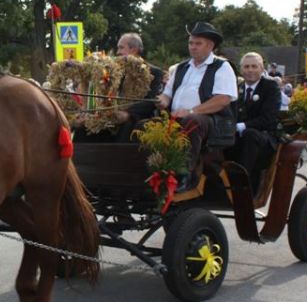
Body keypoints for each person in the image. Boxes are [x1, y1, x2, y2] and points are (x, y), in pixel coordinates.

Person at [157, 22, 238, 192]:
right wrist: (162, 101)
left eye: (198, 43)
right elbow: (167, 94)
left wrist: (192, 111)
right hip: (176, 117)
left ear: (210, 45)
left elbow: (223, 99)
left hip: (211, 122)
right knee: (145, 125)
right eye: (190, 43)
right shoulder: (181, 67)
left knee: (192, 121)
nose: (193, 47)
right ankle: (153, 170)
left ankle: (185, 173)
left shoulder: (222, 67)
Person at [226, 52, 281, 191]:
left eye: (254, 66)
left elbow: (269, 118)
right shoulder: (237, 88)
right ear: (241, 70)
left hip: (264, 136)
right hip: (239, 134)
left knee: (250, 135)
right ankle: (219, 178)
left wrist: (242, 126)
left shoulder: (270, 87)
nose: (250, 70)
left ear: (262, 69)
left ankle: (241, 182)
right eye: (246, 67)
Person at [113, 32, 164, 141]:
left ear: (134, 50)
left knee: (127, 126)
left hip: (138, 117)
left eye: (121, 48)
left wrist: (128, 114)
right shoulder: (116, 71)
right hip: (114, 115)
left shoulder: (154, 72)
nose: (118, 52)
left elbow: (150, 101)